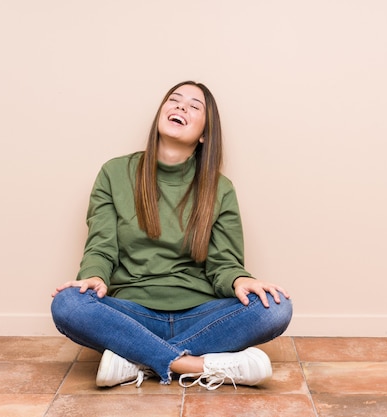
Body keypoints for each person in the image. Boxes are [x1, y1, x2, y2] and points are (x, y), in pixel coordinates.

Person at [51, 81, 292, 390]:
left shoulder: (220, 189)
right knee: (68, 304)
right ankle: (195, 365)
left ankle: (137, 357)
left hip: (201, 315)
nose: (181, 107)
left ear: (205, 134)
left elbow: (224, 264)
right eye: (174, 100)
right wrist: (94, 275)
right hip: (132, 313)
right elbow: (101, 246)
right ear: (161, 113)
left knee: (277, 308)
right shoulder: (114, 173)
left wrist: (239, 280)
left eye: (194, 106)